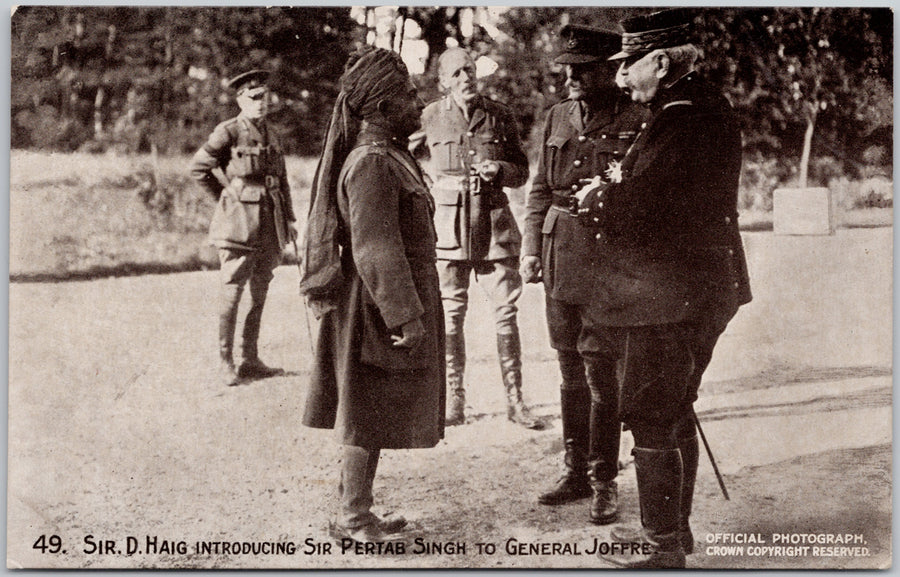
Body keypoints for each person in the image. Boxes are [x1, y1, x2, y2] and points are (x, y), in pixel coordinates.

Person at [575, 9, 752, 568]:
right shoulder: (698, 105)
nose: (621, 78)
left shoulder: (682, 116)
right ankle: (677, 532)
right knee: (675, 407)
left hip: (669, 293)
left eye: (629, 65)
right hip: (699, 284)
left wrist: (596, 198)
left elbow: (645, 204)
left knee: (654, 412)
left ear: (660, 60)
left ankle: (664, 549)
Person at [299, 46, 444, 545]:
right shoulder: (373, 162)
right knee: (364, 410)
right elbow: (376, 245)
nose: (418, 103)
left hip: (379, 300)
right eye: (408, 96)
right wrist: (405, 315)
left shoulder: (388, 156)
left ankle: (354, 509)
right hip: (375, 305)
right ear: (382, 108)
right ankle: (354, 517)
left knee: (371, 407)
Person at [520, 26, 647, 523]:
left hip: (608, 264)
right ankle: (574, 471)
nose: (571, 77)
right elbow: (538, 192)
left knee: (601, 374)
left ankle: (603, 479)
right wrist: (531, 249)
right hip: (559, 258)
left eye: (582, 69)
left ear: (607, 70)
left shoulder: (638, 117)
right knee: (569, 370)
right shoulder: (556, 116)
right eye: (567, 69)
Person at [409, 47, 541, 429]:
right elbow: (403, 155)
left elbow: (522, 171)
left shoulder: (499, 115)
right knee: (451, 315)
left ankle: (516, 402)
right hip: (449, 228)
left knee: (506, 312)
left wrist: (498, 169)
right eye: (456, 74)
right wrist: (425, 184)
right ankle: (454, 401)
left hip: (494, 225)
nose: (465, 78)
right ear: (443, 82)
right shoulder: (430, 116)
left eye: (469, 70)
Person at [190, 69, 295, 386]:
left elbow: (282, 180)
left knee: (259, 291)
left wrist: (288, 218)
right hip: (238, 222)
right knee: (232, 290)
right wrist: (226, 196)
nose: (261, 103)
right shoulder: (229, 131)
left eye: (265, 97)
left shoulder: (272, 134)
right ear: (240, 100)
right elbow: (198, 168)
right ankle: (226, 361)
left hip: (269, 221)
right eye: (254, 98)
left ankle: (249, 358)